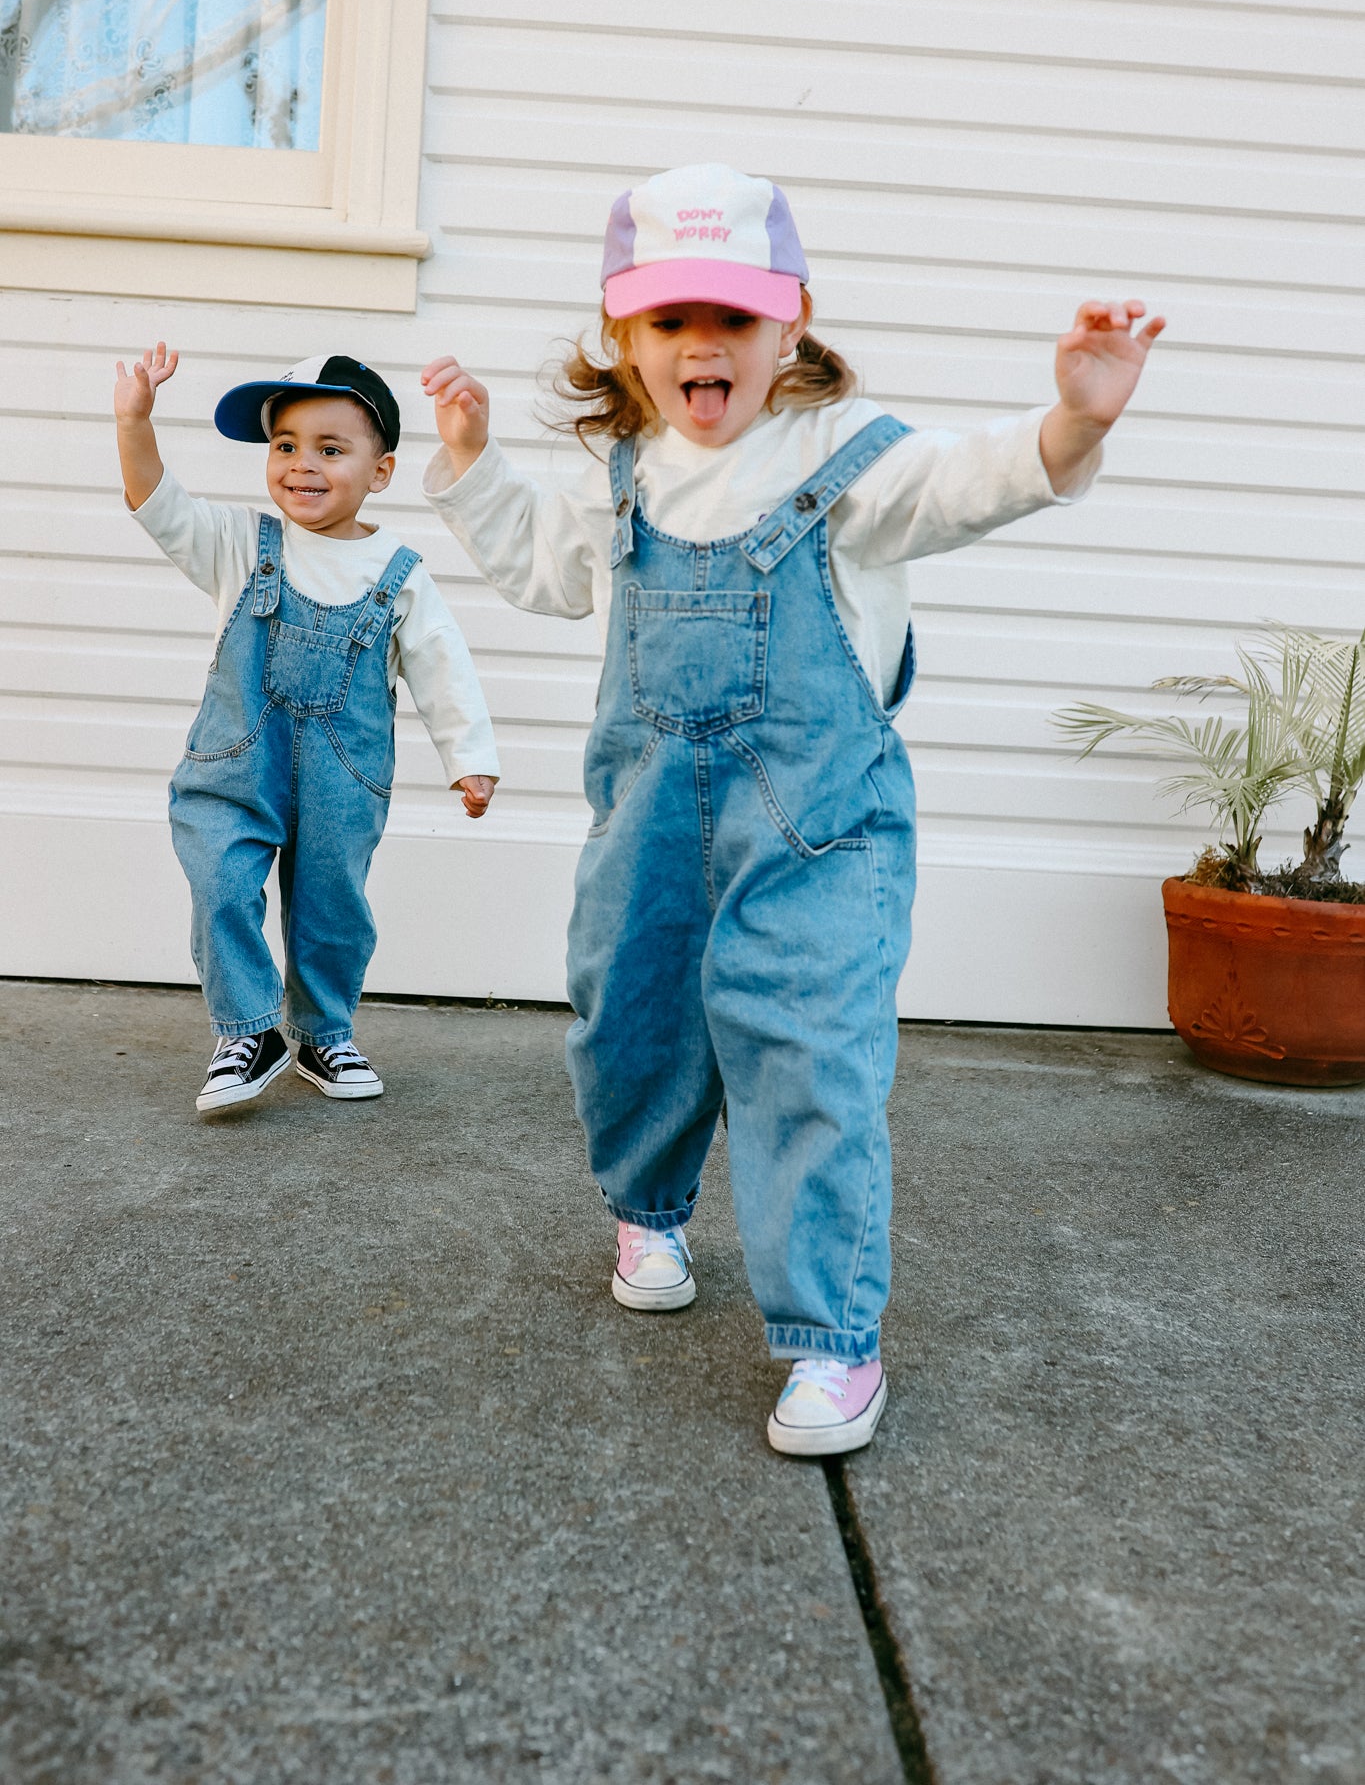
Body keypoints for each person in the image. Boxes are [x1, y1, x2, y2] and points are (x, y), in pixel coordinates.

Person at [419, 163, 1162, 1455]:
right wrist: (472, 465)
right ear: (624, 337)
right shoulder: (622, 477)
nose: (702, 343)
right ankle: (647, 1209)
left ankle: (833, 1342)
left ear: (791, 323)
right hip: (649, 823)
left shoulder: (853, 461)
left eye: (735, 318)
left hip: (819, 831)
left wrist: (1074, 420)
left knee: (806, 1050)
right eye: (668, 321)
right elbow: (540, 574)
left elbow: (974, 478)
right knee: (631, 1017)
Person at [114, 347, 499, 1118]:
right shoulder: (240, 545)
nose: (301, 465)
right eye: (285, 446)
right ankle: (248, 1033)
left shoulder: (398, 571)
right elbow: (156, 501)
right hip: (234, 770)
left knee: (332, 909)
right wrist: (134, 421)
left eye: (330, 448)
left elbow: (440, 666)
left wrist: (470, 760)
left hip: (342, 777)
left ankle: (323, 1032)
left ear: (380, 470)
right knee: (221, 884)